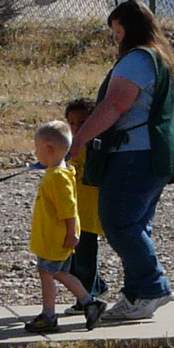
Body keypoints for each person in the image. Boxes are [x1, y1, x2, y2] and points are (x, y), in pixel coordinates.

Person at [67, 0, 174, 322]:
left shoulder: (136, 60)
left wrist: (81, 137)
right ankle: (136, 296)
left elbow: (114, 106)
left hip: (135, 154)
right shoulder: (158, 58)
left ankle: (152, 286)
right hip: (154, 154)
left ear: (127, 27)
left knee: (118, 220)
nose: (114, 36)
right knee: (136, 222)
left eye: (116, 29)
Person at [23, 121, 105, 333]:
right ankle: (89, 301)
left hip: (55, 237)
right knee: (58, 273)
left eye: (37, 149)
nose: (35, 153)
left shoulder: (58, 177)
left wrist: (72, 233)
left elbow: (69, 209)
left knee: (46, 272)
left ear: (49, 149)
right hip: (50, 236)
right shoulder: (57, 173)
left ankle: (49, 314)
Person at [64, 96, 108, 307]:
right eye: (72, 123)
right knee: (71, 259)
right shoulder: (68, 148)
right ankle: (97, 287)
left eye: (82, 123)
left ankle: (88, 297)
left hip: (90, 213)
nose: (76, 128)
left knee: (85, 258)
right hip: (72, 211)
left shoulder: (97, 148)